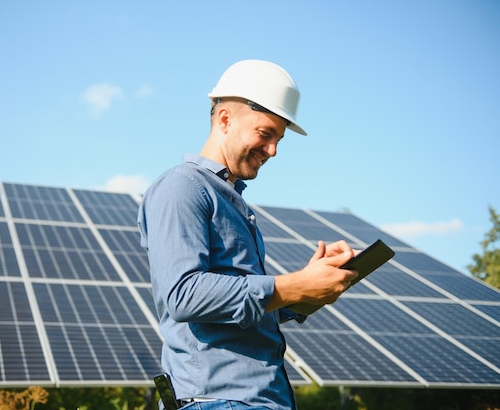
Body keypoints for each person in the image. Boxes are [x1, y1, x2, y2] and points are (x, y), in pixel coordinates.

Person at [137, 59, 358, 410]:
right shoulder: (182, 187)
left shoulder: (233, 201)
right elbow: (182, 294)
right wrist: (295, 285)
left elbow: (238, 307)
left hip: (259, 399)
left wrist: (309, 291)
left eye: (279, 139)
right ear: (225, 119)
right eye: (265, 133)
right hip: (217, 400)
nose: (273, 151)